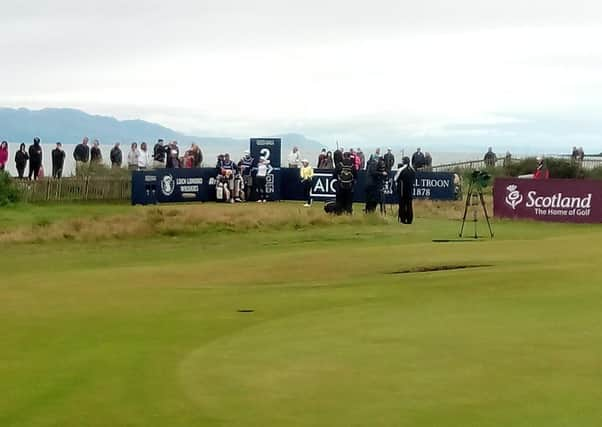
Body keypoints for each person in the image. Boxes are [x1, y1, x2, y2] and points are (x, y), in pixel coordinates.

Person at [394, 156, 416, 224]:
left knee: (402, 204)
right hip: (410, 190)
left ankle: (403, 219)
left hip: (402, 190)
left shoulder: (401, 169)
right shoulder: (412, 170)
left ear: (404, 161)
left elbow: (395, 179)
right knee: (409, 205)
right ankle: (409, 219)